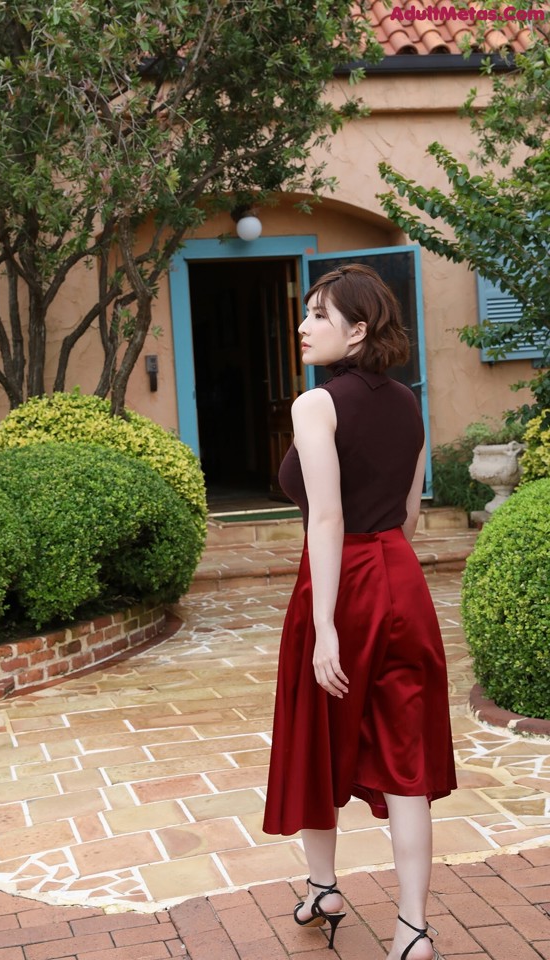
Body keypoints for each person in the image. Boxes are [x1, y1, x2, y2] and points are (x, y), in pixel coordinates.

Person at [262, 264, 457, 960]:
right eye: (306, 313)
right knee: (407, 755)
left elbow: (327, 518)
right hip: (400, 580)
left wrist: (324, 630)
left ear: (359, 327)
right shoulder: (410, 403)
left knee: (317, 735)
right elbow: (406, 513)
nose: (304, 325)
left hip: (341, 584)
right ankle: (413, 929)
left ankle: (324, 887)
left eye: (319, 314)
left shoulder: (315, 404)